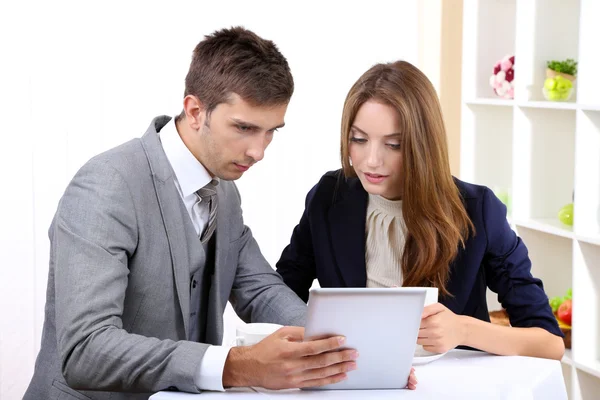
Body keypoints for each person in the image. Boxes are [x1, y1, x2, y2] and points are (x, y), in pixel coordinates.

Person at [24, 27, 369, 400]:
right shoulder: (107, 185)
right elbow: (86, 349)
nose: (259, 151)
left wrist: (348, 350)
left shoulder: (225, 192)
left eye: (271, 132)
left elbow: (260, 289)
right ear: (194, 111)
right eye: (244, 128)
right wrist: (235, 366)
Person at [276, 60, 565, 360]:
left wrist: (463, 330)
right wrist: (314, 335)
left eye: (394, 145)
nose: (371, 160)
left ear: (423, 145)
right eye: (359, 139)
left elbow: (549, 344)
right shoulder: (328, 197)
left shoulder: (477, 210)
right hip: (352, 380)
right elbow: (279, 295)